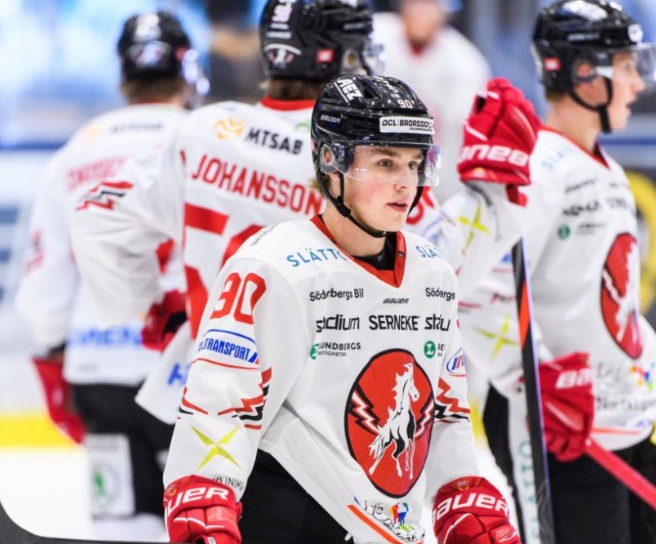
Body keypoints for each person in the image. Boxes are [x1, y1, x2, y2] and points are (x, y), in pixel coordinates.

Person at [69, 0, 496, 425]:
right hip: (325, 414)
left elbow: (94, 214)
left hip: (213, 400)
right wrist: (498, 196)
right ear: (341, 57)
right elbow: (443, 267)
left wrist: (149, 305)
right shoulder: (354, 154)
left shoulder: (205, 132)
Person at [161, 72, 521, 544]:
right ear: (331, 161)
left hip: (392, 527)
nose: (405, 184)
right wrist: (204, 499)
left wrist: (459, 493)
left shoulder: (433, 272)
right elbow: (221, 405)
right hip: (292, 518)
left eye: (414, 164)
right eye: (386, 162)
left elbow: (442, 410)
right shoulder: (271, 265)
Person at [459, 0, 656, 544]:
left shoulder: (601, 164)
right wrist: (534, 382)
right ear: (586, 75)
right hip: (562, 437)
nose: (638, 83)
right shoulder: (538, 169)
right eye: (627, 67)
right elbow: (471, 292)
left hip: (621, 428)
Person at [14, 11, 205, 540]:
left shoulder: (76, 151)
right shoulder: (211, 141)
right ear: (187, 67)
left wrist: (56, 362)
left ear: (123, 73)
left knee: (121, 530)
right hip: (188, 371)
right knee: (198, 524)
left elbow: (44, 281)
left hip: (99, 374)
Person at [372, 0, 491, 201]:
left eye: (430, 4)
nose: (421, 12)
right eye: (416, 1)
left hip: (433, 180)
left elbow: (467, 132)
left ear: (446, 11)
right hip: (370, 171)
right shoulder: (373, 35)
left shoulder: (467, 62)